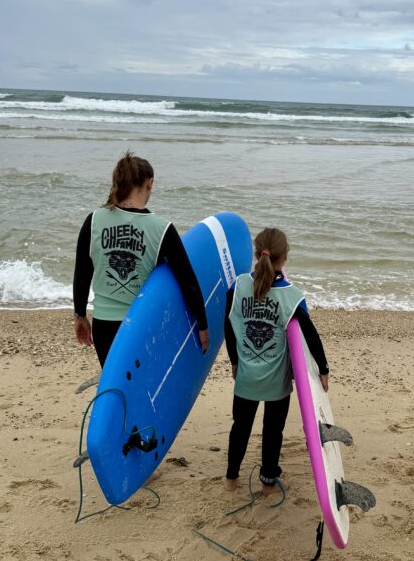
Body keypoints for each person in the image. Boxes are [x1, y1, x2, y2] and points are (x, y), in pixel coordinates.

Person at [72, 151, 209, 367]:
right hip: (141, 324)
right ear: (150, 183)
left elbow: (82, 273)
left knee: (115, 388)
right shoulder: (162, 229)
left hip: (103, 326)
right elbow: (187, 281)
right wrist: (202, 325)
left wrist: (80, 315)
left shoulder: (94, 220)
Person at [224, 227, 328, 496]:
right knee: (273, 431)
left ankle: (231, 478)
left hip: (246, 376)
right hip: (277, 380)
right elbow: (310, 335)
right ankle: (268, 481)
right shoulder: (292, 295)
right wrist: (323, 369)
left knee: (241, 427)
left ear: (257, 254)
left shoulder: (238, 286)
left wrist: (234, 360)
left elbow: (228, 325)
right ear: (286, 258)